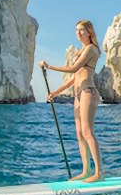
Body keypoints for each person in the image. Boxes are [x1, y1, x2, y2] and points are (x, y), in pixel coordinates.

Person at [40, 20, 103, 182]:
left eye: (81, 30)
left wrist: (49, 66)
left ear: (89, 32)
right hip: (78, 94)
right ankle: (86, 170)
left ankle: (98, 173)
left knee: (88, 132)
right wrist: (55, 92)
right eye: (76, 30)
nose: (78, 33)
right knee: (79, 133)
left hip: (88, 92)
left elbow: (74, 69)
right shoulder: (81, 51)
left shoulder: (91, 49)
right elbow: (75, 78)